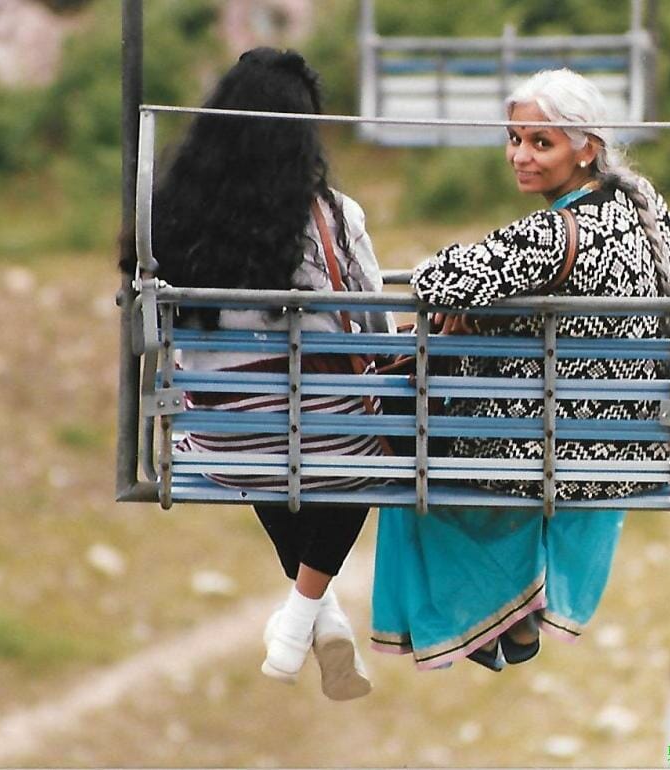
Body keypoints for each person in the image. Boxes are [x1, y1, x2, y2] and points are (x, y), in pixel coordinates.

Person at [370, 69, 670, 672]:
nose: (521, 155)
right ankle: (509, 617)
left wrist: (473, 311)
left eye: (541, 143)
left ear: (586, 147)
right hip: (621, 449)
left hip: (541, 450)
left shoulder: (554, 234)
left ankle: (488, 611)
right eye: (514, 139)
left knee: (407, 446)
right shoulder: (639, 208)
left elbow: (438, 279)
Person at [124, 48, 393, 699]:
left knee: (268, 437)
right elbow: (379, 325)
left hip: (220, 443)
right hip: (332, 444)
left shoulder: (169, 217)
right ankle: (301, 618)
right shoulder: (333, 216)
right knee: (367, 443)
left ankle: (318, 624)